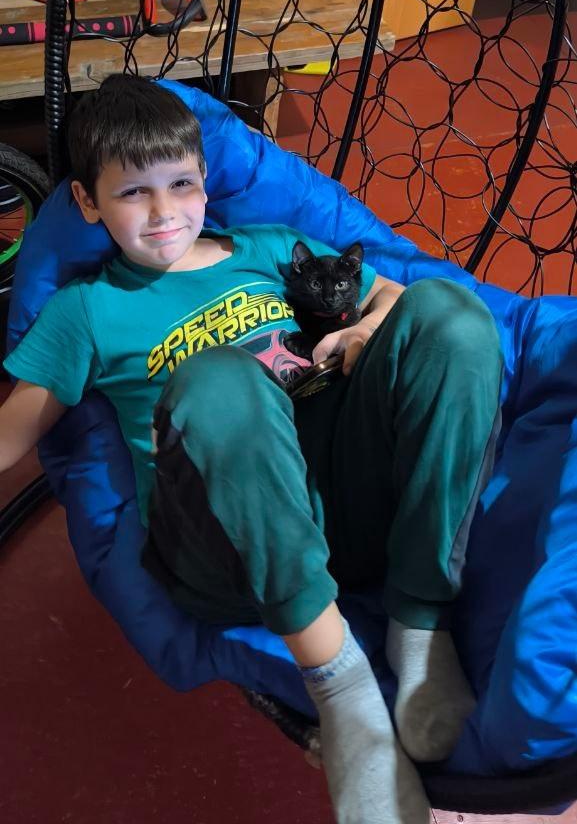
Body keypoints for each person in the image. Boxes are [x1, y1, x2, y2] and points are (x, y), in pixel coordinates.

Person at [0, 75, 503, 824]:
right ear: (88, 202)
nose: (165, 212)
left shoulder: (265, 249)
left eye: (181, 184)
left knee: (451, 311)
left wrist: (362, 332)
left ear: (206, 181)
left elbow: (392, 297)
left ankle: (420, 622)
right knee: (219, 382)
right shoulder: (87, 310)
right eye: (133, 193)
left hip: (345, 500)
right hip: (227, 546)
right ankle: (342, 686)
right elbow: (11, 435)